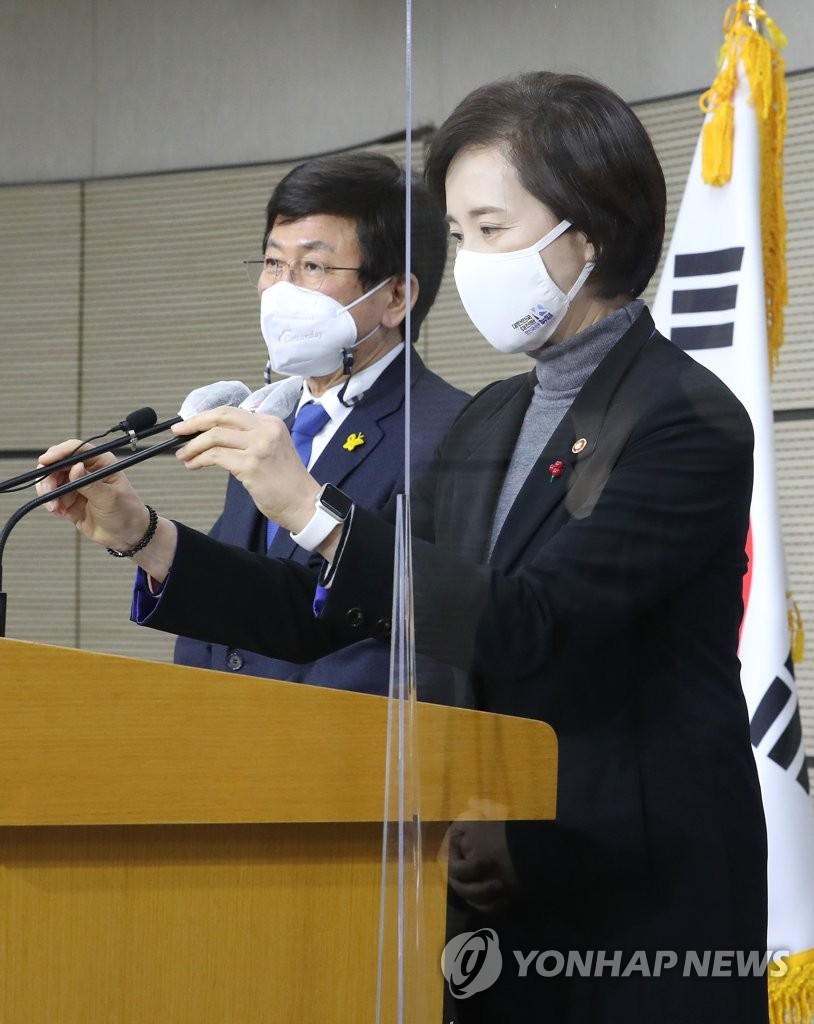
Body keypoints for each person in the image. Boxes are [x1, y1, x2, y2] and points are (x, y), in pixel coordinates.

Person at [38, 72, 768, 1022]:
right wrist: (141, 535)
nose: (469, 264)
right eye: (460, 236)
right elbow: (323, 611)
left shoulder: (685, 417)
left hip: (634, 897)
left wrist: (311, 507)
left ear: (589, 235)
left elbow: (535, 624)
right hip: (478, 888)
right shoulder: (498, 414)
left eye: (492, 231)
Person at [173, 151, 469, 697]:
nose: (281, 290)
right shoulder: (270, 419)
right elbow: (221, 614)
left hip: (334, 759)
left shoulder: (449, 433)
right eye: (272, 263)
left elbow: (415, 635)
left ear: (396, 296)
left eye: (313, 266)